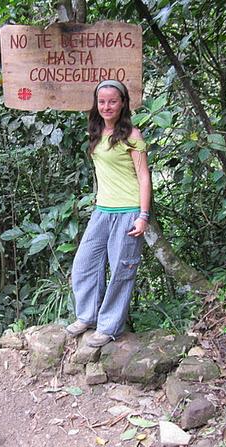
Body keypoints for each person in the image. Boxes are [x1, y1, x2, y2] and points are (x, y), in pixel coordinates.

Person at [66, 79, 152, 348]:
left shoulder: (133, 135)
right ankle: (88, 316)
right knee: (84, 264)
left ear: (123, 103)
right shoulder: (95, 131)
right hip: (102, 210)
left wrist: (143, 216)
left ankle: (108, 327)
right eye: (102, 101)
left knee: (121, 270)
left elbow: (144, 177)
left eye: (112, 101)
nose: (107, 106)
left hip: (128, 211)